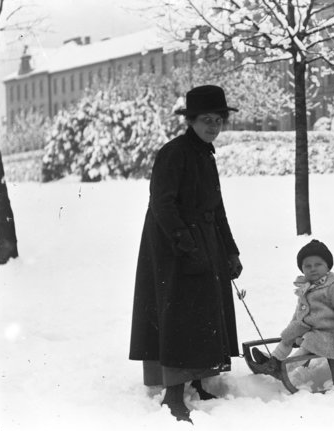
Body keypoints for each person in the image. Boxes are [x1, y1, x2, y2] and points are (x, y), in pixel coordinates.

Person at [129, 85, 243, 423]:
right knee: (182, 315)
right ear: (191, 120)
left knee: (205, 311)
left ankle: (197, 377)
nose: (214, 126)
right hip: (171, 247)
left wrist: (230, 251)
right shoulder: (174, 153)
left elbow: (216, 208)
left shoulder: (205, 153)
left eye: (219, 120)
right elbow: (162, 205)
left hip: (204, 239)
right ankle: (173, 396)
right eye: (207, 120)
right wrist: (186, 246)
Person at [252, 240, 334, 377]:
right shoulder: (306, 287)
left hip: (330, 333)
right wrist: (292, 327)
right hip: (309, 328)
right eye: (307, 266)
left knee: (309, 340)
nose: (313, 269)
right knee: (289, 335)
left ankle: (284, 369)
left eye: (318, 264)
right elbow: (299, 311)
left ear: (328, 266)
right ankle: (273, 360)